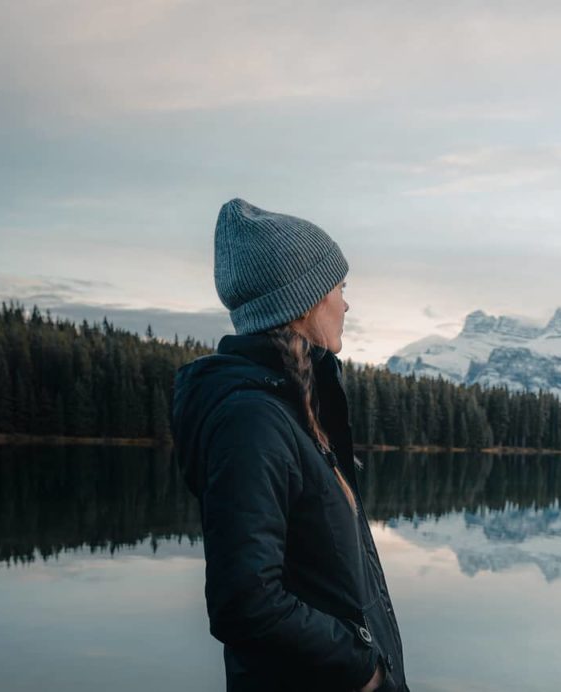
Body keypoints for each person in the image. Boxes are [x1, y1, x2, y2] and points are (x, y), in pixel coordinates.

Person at [171, 198, 408, 692]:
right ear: (306, 299)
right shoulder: (252, 421)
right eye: (340, 288)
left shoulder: (296, 408)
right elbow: (246, 603)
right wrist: (362, 669)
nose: (346, 303)